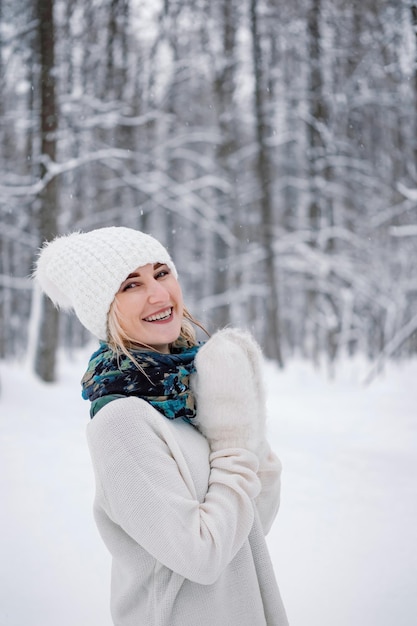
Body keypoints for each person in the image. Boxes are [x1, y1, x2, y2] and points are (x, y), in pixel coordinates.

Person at [34, 226, 289, 626]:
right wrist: (233, 441)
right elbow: (202, 556)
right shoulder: (122, 421)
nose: (158, 294)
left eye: (161, 272)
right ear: (103, 310)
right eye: (131, 284)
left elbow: (254, 522)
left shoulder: (189, 392)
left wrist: (245, 414)